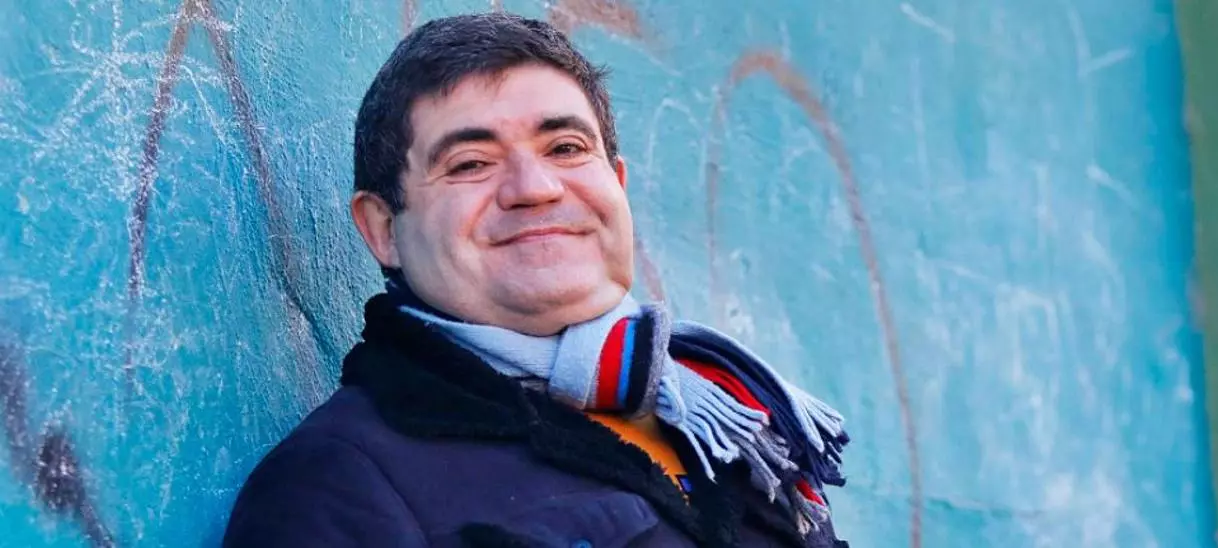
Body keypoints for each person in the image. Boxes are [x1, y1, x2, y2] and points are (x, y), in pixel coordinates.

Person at [222, 11, 850, 548]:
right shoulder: (339, 485)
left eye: (566, 148)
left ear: (617, 184)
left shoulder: (729, 418)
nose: (536, 188)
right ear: (384, 228)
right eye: (471, 163)